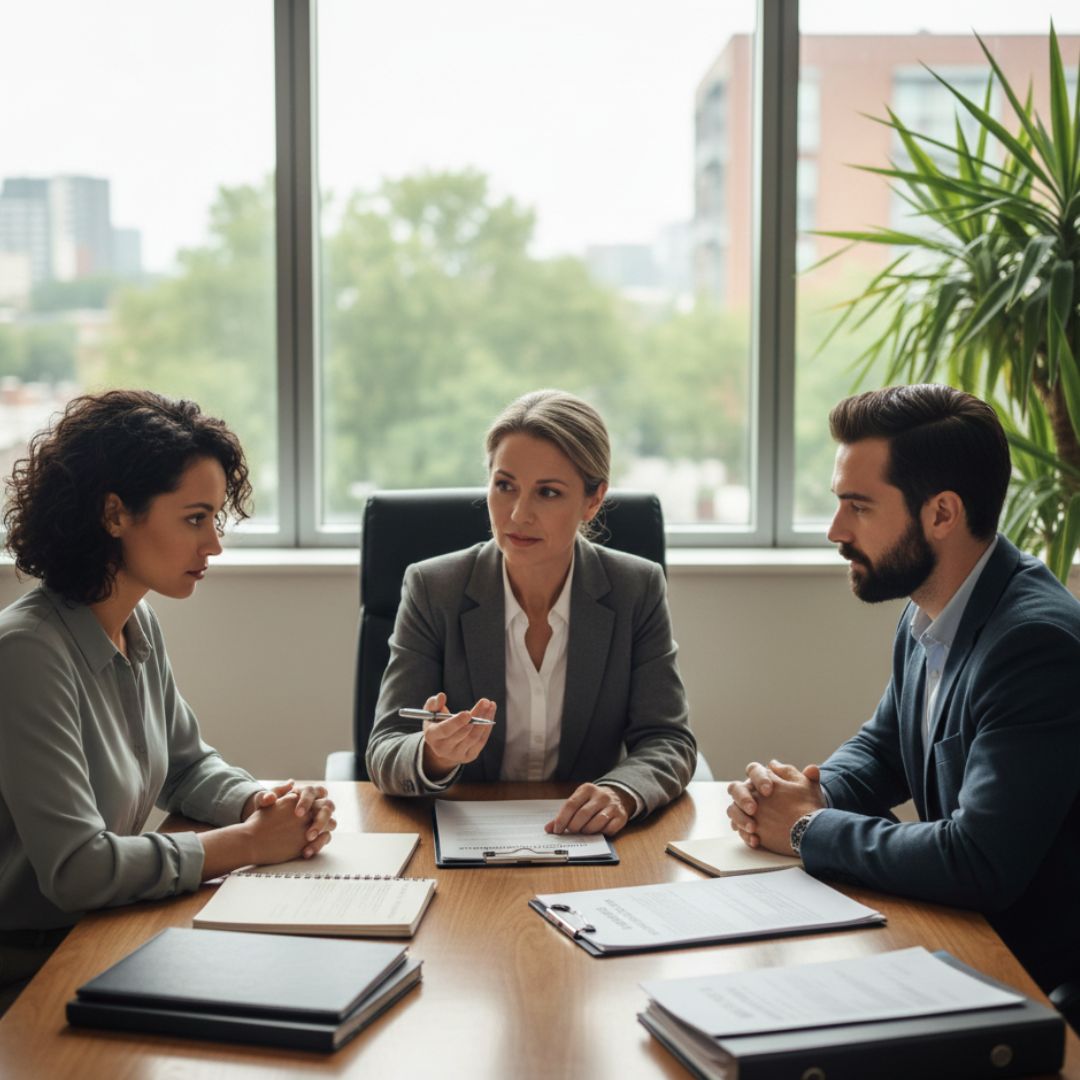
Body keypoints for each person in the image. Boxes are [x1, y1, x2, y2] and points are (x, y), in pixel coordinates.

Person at [727, 384, 1080, 1007]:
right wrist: (811, 792)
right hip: (960, 939)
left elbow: (978, 859)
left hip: (1029, 974)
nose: (835, 529)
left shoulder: (1034, 643)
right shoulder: (932, 607)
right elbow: (888, 746)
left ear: (941, 513)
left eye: (858, 507)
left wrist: (808, 828)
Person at [0, 390, 336, 1014]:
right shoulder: (26, 653)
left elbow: (186, 767)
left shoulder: (136, 622)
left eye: (216, 519)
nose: (214, 545)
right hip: (29, 972)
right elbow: (78, 870)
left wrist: (265, 802)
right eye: (194, 518)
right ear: (114, 514)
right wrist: (251, 843)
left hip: (102, 937)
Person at [366, 389, 697, 835]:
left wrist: (620, 791)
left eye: (548, 493)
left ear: (593, 499)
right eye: (505, 486)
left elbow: (668, 739)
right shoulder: (433, 587)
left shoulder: (635, 588)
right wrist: (433, 754)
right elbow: (384, 748)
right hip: (465, 838)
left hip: (584, 839)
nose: (518, 514)